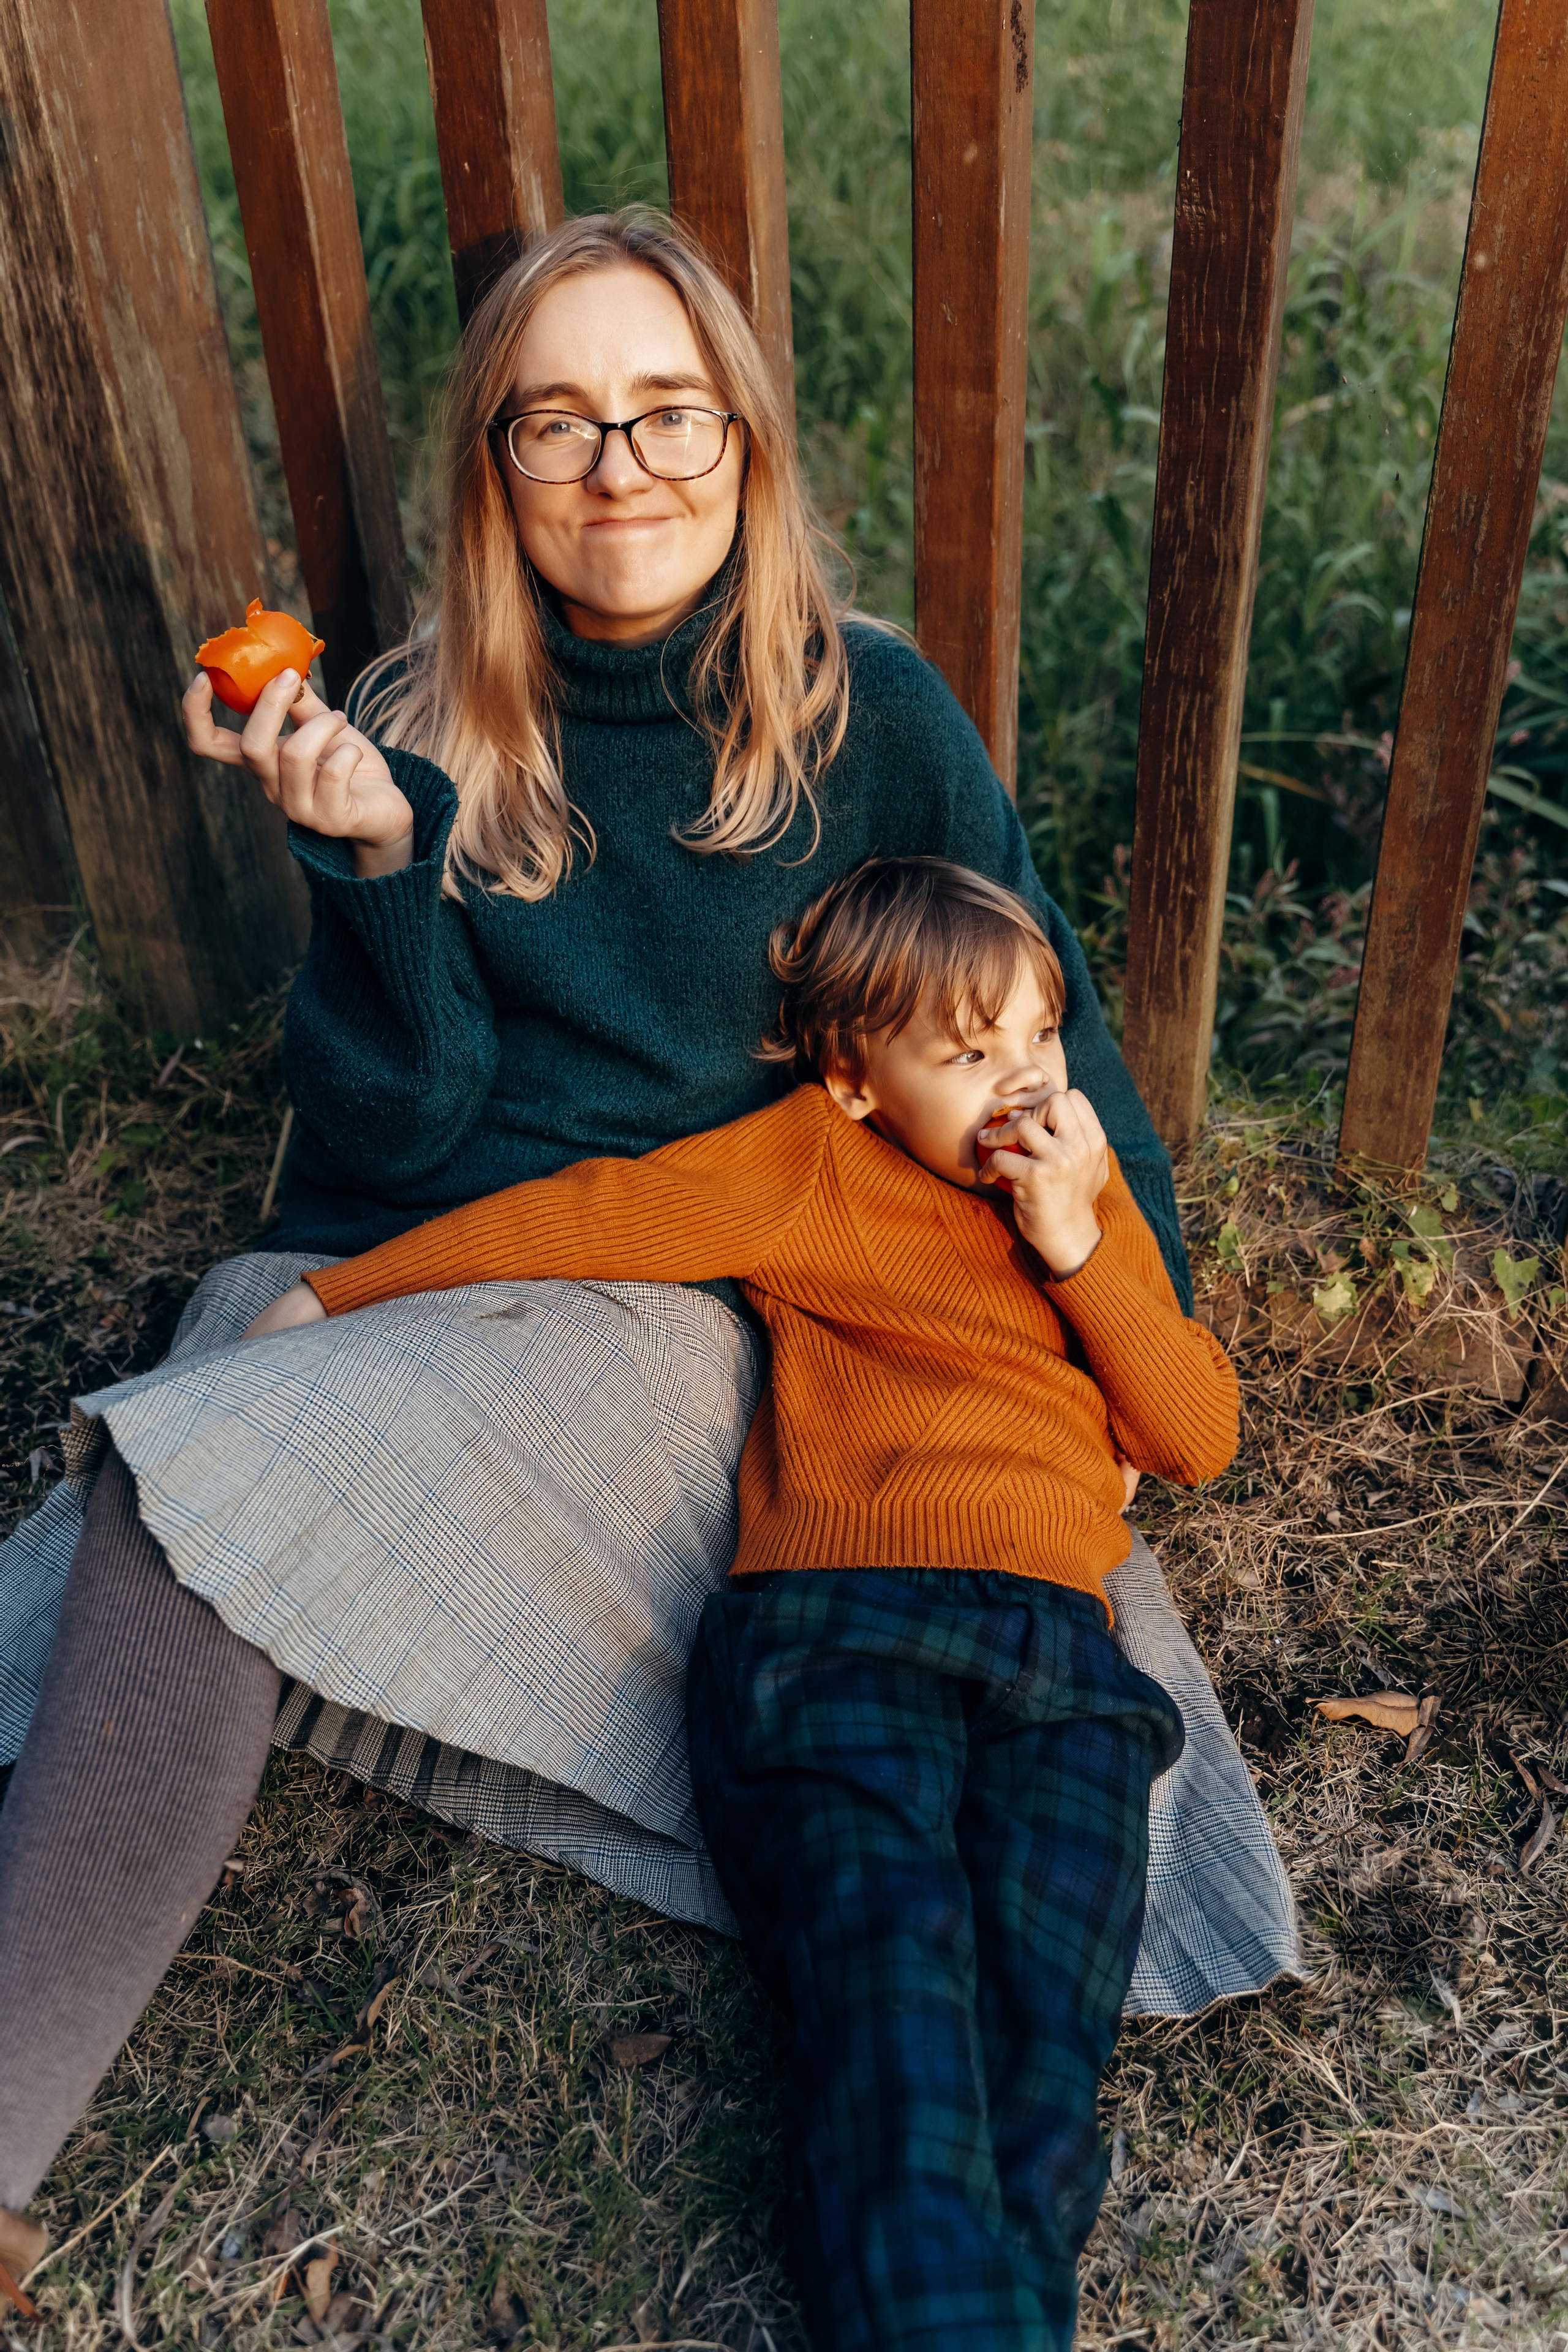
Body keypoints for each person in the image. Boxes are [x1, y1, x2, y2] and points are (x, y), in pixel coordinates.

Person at [0, 209, 1295, 2272]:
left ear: (747, 442)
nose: (625, 467)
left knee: (179, 1475)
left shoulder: (866, 712)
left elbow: (1059, 1033)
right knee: (221, 1337)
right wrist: (378, 864)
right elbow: (395, 1132)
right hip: (462, 1239)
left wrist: (1118, 1299)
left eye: (671, 410)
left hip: (701, 1296)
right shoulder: (422, 714)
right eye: (561, 421)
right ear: (494, 467)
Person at [241, 856, 1239, 2350]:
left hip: (1057, 1661)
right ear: (851, 1076)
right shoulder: (809, 1164)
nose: (1018, 1086)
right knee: (895, 1987)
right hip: (840, 1633)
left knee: (1040, 2048)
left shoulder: (1077, 1195)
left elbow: (1193, 1433)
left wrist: (1079, 1245)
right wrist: (332, 1297)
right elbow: (587, 1218)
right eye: (964, 1058)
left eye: (1036, 1041)